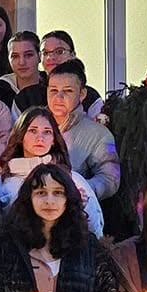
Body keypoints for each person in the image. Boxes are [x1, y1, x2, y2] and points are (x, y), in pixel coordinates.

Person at [0, 107, 106, 237]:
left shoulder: (73, 180)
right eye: (33, 131)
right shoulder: (2, 183)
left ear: (53, 140)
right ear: (20, 136)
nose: (40, 138)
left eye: (47, 132)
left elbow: (96, 231)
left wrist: (80, 208)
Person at [45, 60, 121, 198]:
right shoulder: (32, 125)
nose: (59, 97)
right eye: (53, 90)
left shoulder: (98, 134)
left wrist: (80, 189)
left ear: (82, 94)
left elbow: (110, 178)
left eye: (68, 91)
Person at [42, 30, 102, 115]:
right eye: (45, 53)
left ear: (72, 55)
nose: (50, 57)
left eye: (59, 51)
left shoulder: (90, 97)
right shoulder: (33, 94)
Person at [9, 30, 46, 111]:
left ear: (40, 56)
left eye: (28, 55)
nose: (22, 62)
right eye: (15, 56)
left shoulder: (52, 87)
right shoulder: (0, 89)